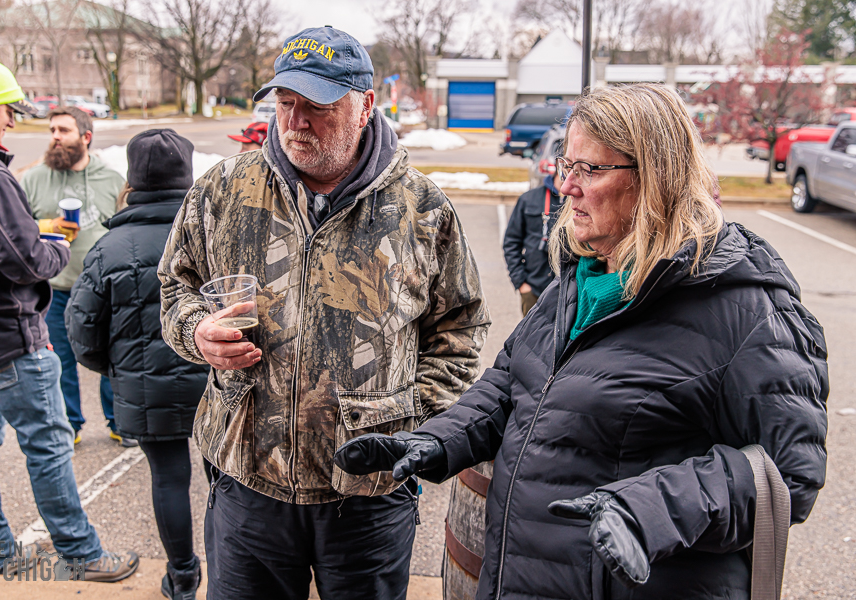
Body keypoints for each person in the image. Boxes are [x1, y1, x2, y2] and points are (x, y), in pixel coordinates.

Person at [334, 83, 829, 599]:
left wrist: (653, 508)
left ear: (657, 177)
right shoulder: (582, 277)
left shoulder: (751, 311)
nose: (566, 186)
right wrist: (438, 440)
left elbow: (790, 476)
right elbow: (511, 384)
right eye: (565, 165)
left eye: (589, 169)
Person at [158, 26, 489, 600]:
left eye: (317, 106)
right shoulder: (224, 190)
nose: (296, 121)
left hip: (367, 494)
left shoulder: (421, 211)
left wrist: (406, 426)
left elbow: (459, 332)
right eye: (286, 104)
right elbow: (174, 288)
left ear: (364, 108)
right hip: (247, 480)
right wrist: (196, 331)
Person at [0, 55, 138, 582]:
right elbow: (23, 262)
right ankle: (81, 554)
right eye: (8, 108)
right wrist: (54, 247)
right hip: (4, 336)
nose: (13, 120)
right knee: (49, 444)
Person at [66, 129, 210, 599]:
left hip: (147, 386)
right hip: (218, 380)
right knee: (227, 481)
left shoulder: (108, 248)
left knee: (168, 477)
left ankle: (183, 577)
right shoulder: (214, 237)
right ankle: (231, 568)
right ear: (187, 177)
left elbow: (82, 330)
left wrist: (117, 369)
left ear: (132, 180)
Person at [21, 106, 128, 446]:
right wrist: (46, 226)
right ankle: (71, 425)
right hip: (53, 288)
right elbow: (16, 230)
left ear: (86, 137)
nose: (55, 137)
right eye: (52, 130)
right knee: (60, 360)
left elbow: (124, 230)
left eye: (63, 130)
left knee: (111, 356)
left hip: (101, 288)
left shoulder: (111, 179)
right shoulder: (34, 179)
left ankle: (118, 422)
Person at [502, 173, 561, 315]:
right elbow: (511, 242)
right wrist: (521, 283)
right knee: (532, 336)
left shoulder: (579, 201)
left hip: (569, 292)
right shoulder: (529, 199)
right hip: (534, 288)